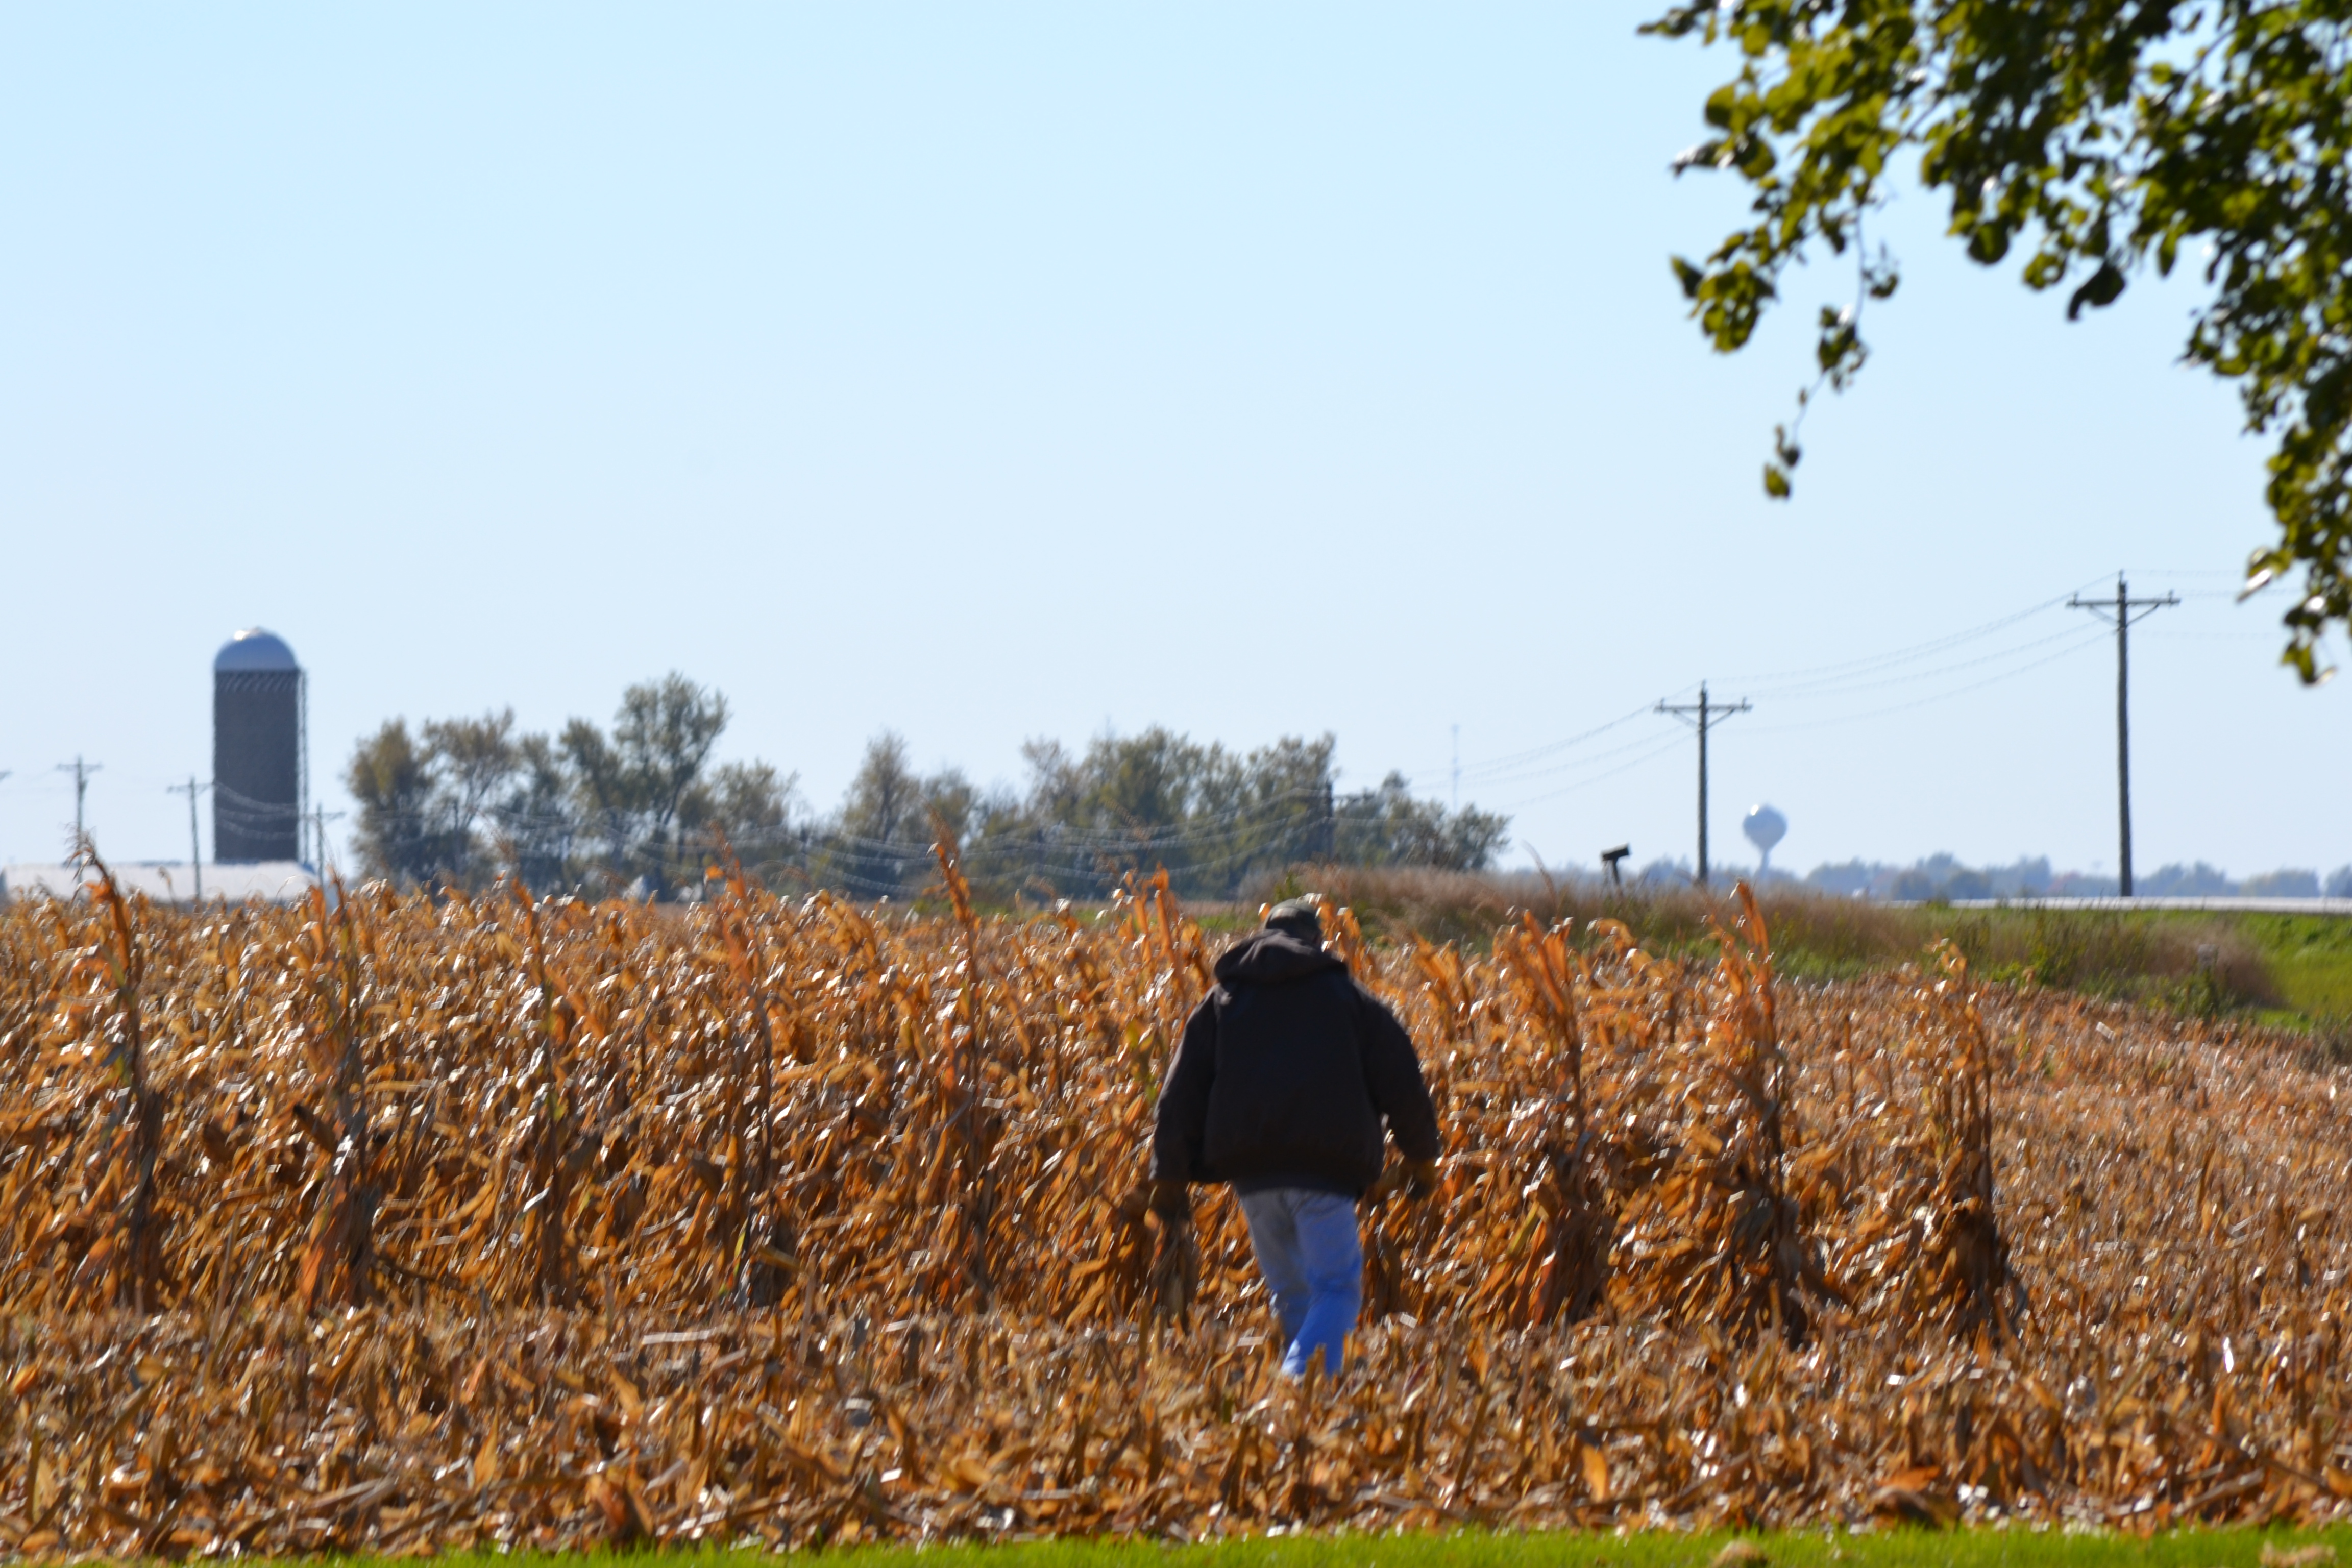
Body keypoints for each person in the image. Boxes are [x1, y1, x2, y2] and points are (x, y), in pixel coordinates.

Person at [1147, 898, 1442, 1378]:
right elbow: (1402, 1080)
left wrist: (1169, 1175)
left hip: (1252, 1173)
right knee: (1338, 1290)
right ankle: (1297, 1388)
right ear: (1317, 942)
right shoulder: (1349, 999)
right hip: (1325, 1169)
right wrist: (1421, 1160)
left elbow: (1179, 1093)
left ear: (1264, 935)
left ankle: (1303, 1421)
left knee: (1295, 1294)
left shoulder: (1223, 1000)